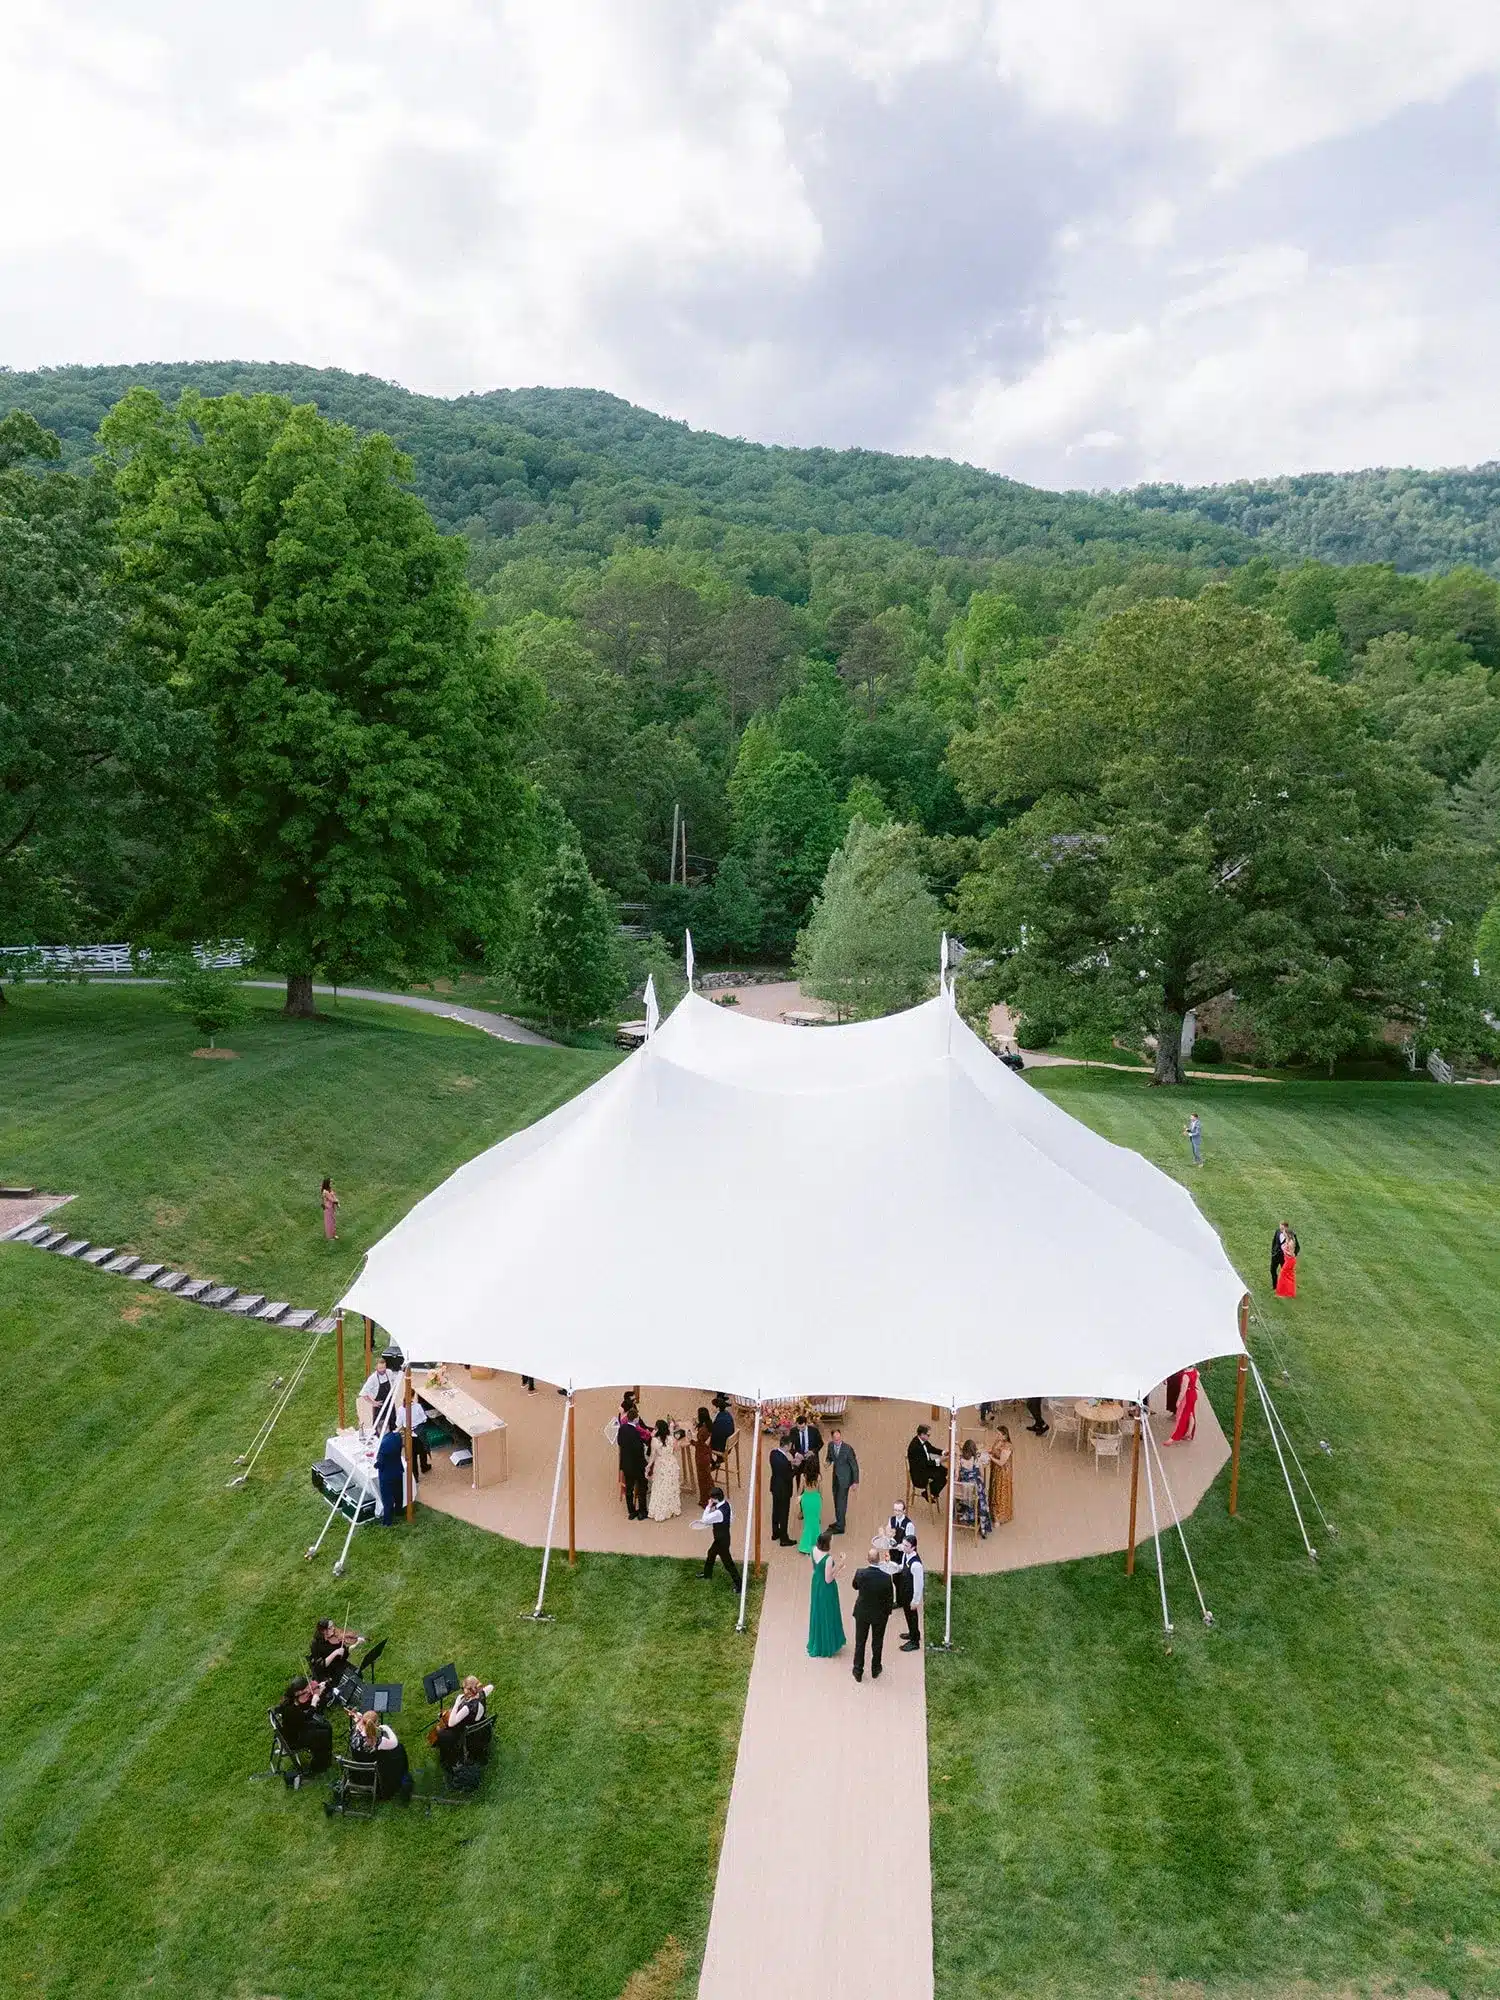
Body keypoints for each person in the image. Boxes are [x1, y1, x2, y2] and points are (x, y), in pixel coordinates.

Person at [850, 1547, 896, 1682]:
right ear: (879, 1560)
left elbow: (855, 1586)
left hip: (862, 1613)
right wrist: (887, 1613)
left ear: (867, 1559)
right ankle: (875, 1668)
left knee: (860, 1642)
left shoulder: (860, 1573)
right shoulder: (886, 1578)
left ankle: (858, 1670)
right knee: (877, 1642)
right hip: (879, 1615)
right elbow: (889, 1598)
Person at [278, 1677, 333, 1786]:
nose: (309, 1692)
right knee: (323, 1735)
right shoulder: (290, 1710)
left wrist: (319, 1692)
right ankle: (318, 1766)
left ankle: (325, 1756)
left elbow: (303, 1710)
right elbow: (306, 1717)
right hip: (295, 1738)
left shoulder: (294, 1702)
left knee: (326, 1726)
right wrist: (313, 1703)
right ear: (298, 1692)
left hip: (299, 1728)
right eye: (305, 1691)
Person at [352, 1710, 413, 1803]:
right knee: (400, 1748)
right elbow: (394, 1743)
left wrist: (359, 1718)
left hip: (358, 1766)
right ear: (375, 1724)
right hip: (373, 1770)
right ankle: (402, 1773)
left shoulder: (355, 1732)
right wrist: (387, 1728)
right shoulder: (378, 1742)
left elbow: (358, 1723)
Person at [434, 1674, 491, 1772]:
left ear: (469, 1690)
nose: (462, 1690)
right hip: (479, 1725)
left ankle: (448, 1759)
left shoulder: (467, 1708)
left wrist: (457, 1703)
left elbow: (451, 1723)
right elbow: (491, 1687)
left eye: (463, 1688)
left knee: (441, 1732)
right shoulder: (482, 1694)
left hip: (465, 1732)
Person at [807, 1530, 846, 1657]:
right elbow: (828, 1579)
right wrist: (839, 1566)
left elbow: (814, 1568)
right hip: (826, 1588)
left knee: (817, 1611)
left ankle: (817, 1641)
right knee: (827, 1612)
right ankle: (827, 1644)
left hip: (816, 1583)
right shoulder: (828, 1559)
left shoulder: (813, 1550)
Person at [696, 1486, 741, 1589]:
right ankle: (707, 1574)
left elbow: (704, 1520)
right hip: (723, 1537)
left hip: (721, 1541)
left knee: (728, 1563)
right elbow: (730, 1519)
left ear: (715, 1499)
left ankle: (739, 1585)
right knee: (711, 1553)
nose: (710, 1500)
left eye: (711, 1498)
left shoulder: (718, 1512)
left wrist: (708, 1506)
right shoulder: (727, 1505)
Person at [617, 1400, 651, 1521]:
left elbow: (620, 1442)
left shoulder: (622, 1429)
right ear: (636, 1419)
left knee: (629, 1489)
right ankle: (642, 1511)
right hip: (638, 1465)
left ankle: (631, 1511)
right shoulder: (637, 1432)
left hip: (626, 1464)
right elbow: (639, 1450)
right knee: (642, 1487)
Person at [647, 1417, 684, 1521]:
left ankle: (659, 1510)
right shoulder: (671, 1438)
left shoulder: (654, 1440)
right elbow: (676, 1449)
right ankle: (672, 1508)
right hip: (671, 1464)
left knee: (659, 1487)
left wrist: (648, 1466)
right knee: (670, 1486)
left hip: (661, 1465)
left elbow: (652, 1456)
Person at [956, 1439, 993, 1537]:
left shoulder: (959, 1460)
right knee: (982, 1498)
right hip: (975, 1490)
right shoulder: (977, 1460)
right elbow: (981, 1474)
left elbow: (956, 1476)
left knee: (969, 1495)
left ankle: (967, 1514)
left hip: (963, 1491)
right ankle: (983, 1526)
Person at [826, 1429, 860, 1535]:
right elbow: (830, 1457)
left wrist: (855, 1481)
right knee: (836, 1499)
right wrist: (828, 1462)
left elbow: (854, 1466)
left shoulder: (848, 1449)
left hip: (845, 1479)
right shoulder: (830, 1446)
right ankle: (839, 1521)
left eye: (839, 1439)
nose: (837, 1441)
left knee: (841, 1502)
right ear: (832, 1438)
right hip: (835, 1477)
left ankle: (840, 1527)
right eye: (835, 1439)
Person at [768, 1435, 797, 1545]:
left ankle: (775, 1533)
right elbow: (789, 1476)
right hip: (784, 1489)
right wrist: (796, 1467)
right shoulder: (784, 1461)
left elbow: (781, 1468)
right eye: (790, 1445)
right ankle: (784, 1539)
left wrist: (790, 1463)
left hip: (775, 1487)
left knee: (775, 1511)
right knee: (784, 1513)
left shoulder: (773, 1454)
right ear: (787, 1445)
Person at [907, 1424, 947, 1503]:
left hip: (924, 1467)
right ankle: (928, 1493)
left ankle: (931, 1492)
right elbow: (925, 1464)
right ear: (922, 1434)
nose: (929, 1436)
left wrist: (943, 1452)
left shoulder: (921, 1440)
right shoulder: (916, 1447)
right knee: (942, 1479)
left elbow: (931, 1448)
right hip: (919, 1475)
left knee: (945, 1471)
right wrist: (939, 1460)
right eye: (928, 1435)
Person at [376, 1424, 406, 1524]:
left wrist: (375, 1464)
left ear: (381, 1430)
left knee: (387, 1498)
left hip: (387, 1475)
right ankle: (399, 1511)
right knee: (398, 1493)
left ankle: (387, 1521)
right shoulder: (397, 1437)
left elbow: (380, 1463)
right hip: (397, 1470)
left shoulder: (382, 1444)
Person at [900, 1536, 925, 1650]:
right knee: (907, 1615)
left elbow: (919, 1585)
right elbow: (902, 1566)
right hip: (905, 1591)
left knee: (912, 1616)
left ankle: (915, 1642)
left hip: (911, 1594)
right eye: (903, 1544)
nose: (903, 1547)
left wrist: (915, 1601)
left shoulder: (916, 1565)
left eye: (906, 1546)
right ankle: (913, 1633)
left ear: (913, 1547)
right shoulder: (906, 1554)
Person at [1165, 1367, 1200, 1444]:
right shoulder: (1195, 1371)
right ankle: (1189, 1433)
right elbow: (1198, 1375)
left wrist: (1178, 1401)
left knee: (1182, 1417)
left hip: (1187, 1397)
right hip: (1193, 1394)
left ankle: (1174, 1438)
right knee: (1191, 1414)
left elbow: (1182, 1391)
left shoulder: (1185, 1376)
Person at [989, 1426, 1014, 1526]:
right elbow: (994, 1450)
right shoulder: (998, 1441)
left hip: (1003, 1473)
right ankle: (993, 1513)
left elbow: (1001, 1462)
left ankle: (999, 1517)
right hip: (995, 1470)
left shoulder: (1007, 1447)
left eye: (999, 1434)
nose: (997, 1436)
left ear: (1005, 1435)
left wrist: (991, 1458)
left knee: (1000, 1493)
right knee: (994, 1491)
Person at [789, 1410, 823, 1483]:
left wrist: (813, 1452)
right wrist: (797, 1454)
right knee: (799, 1480)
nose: (800, 1430)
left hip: (812, 1460)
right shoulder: (793, 1431)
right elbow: (790, 1447)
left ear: (806, 1424)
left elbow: (820, 1444)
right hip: (799, 1460)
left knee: (813, 1481)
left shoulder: (814, 1431)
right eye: (798, 1427)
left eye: (802, 1427)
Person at [796, 1462, 823, 1553]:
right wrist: (820, 1500)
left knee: (807, 1523)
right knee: (815, 1523)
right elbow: (820, 1491)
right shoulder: (818, 1477)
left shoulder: (803, 1476)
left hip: (806, 1499)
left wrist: (799, 1498)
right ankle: (817, 1544)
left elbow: (800, 1490)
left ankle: (805, 1545)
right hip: (815, 1499)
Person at [693, 1406, 714, 1507]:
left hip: (701, 1456)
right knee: (708, 1478)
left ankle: (705, 1501)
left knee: (702, 1479)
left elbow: (699, 1444)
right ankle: (713, 1498)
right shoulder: (709, 1425)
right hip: (706, 1454)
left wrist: (691, 1440)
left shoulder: (703, 1430)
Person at [1274, 1226, 1300, 1299]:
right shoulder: (1287, 1240)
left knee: (1283, 1274)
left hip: (1290, 1260)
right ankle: (1289, 1293)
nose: (1283, 1233)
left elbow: (1291, 1254)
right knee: (1289, 1276)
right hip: (1287, 1259)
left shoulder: (1291, 1242)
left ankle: (1282, 1293)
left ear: (1287, 1234)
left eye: (1284, 1232)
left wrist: (1284, 1250)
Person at [321, 1176, 339, 1241]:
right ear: (327, 1183)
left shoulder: (329, 1189)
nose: (331, 1183)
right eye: (330, 1182)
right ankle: (330, 1236)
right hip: (328, 1208)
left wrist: (336, 1200)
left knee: (333, 1221)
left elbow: (333, 1195)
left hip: (331, 1207)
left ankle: (333, 1234)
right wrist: (337, 1202)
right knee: (329, 1222)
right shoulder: (325, 1192)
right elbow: (331, 1199)